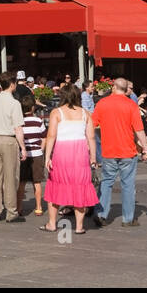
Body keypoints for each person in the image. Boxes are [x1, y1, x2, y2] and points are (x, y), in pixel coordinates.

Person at [91, 77, 147, 226]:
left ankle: (101, 213)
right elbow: (139, 130)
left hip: (108, 151)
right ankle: (128, 219)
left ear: (113, 87)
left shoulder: (102, 103)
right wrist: (145, 149)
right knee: (128, 185)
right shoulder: (131, 105)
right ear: (126, 90)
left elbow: (92, 125)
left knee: (106, 183)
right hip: (127, 152)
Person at [41, 84, 99, 233]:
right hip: (80, 154)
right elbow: (91, 137)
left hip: (62, 153)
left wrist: (47, 157)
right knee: (80, 186)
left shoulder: (57, 112)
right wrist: (93, 157)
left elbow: (51, 136)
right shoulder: (86, 113)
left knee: (55, 186)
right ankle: (79, 226)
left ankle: (52, 224)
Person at [0, 73, 27, 223]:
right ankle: (11, 211)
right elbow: (18, 128)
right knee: (10, 176)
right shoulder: (14, 104)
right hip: (8, 140)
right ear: (13, 84)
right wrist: (23, 148)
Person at [17, 92, 47, 216]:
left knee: (22, 182)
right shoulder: (38, 121)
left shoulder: (19, 122)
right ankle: (39, 207)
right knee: (37, 182)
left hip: (23, 155)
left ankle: (18, 207)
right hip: (36, 154)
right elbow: (44, 137)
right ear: (33, 107)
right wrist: (42, 149)